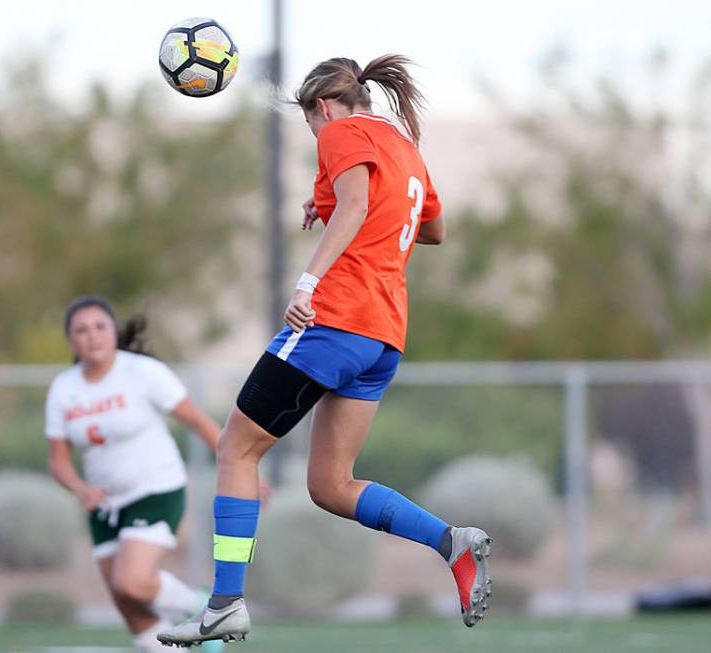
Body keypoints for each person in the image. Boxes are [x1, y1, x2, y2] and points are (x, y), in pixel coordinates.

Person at [159, 55, 491, 647]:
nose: (320, 139)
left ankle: (225, 602)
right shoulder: (405, 148)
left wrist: (307, 282)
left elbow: (360, 204)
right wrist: (335, 204)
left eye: (313, 126)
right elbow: (431, 229)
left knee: (235, 448)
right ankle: (451, 543)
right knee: (331, 486)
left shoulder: (341, 131)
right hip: (383, 335)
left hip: (335, 319)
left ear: (322, 107)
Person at [46, 296, 227, 653]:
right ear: (71, 341)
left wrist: (240, 465)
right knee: (125, 601)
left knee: (131, 581)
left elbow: (198, 422)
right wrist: (80, 488)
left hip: (156, 490)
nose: (93, 336)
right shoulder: (64, 389)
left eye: (100, 327)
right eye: (81, 330)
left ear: (113, 331)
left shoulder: (142, 372)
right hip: (103, 503)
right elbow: (58, 460)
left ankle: (201, 607)